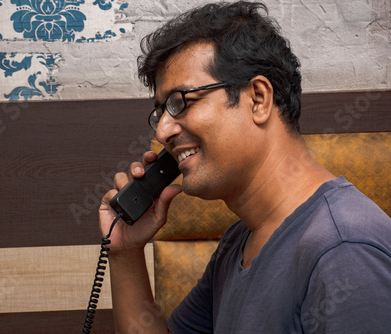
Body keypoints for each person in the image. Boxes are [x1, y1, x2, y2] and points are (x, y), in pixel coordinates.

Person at [98, 1, 391, 333]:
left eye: (181, 101)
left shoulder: (346, 252)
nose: (163, 131)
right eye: (162, 111)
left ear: (258, 99)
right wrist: (125, 251)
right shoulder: (238, 243)